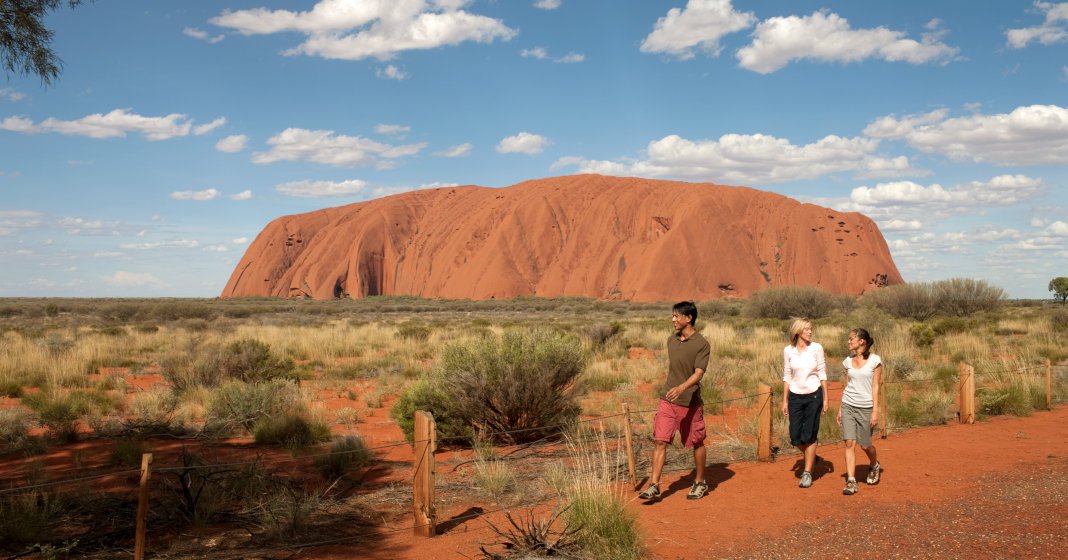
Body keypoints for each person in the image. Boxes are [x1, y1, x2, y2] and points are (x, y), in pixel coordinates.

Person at [638, 301, 712, 501]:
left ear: (688, 318)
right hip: (668, 400)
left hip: (690, 402)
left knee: (697, 442)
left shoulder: (702, 344)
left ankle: (700, 482)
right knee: (660, 441)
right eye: (672, 316)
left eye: (676, 316)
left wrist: (682, 388)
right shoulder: (672, 340)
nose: (673, 320)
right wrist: (674, 389)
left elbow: (699, 373)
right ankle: (654, 485)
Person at [781, 317, 827, 488]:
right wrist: (785, 400)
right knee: (795, 437)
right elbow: (787, 375)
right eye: (807, 329)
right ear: (798, 331)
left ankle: (808, 473)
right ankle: (811, 456)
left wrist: (826, 397)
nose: (810, 331)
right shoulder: (788, 351)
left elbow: (822, 372)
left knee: (809, 435)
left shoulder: (816, 348)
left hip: (814, 395)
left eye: (811, 328)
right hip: (794, 396)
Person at [837, 328, 883, 495]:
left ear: (861, 341)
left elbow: (876, 386)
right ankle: (851, 481)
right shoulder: (847, 361)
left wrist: (875, 411)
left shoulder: (875, 361)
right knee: (849, 443)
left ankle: (874, 464)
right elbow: (846, 385)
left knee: (865, 445)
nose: (849, 342)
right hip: (848, 404)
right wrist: (841, 409)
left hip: (866, 407)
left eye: (851, 339)